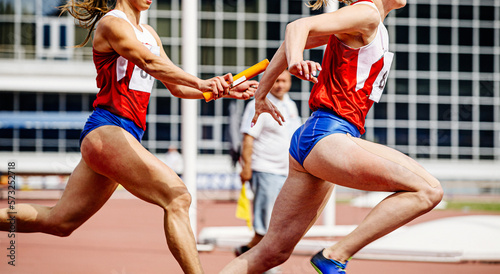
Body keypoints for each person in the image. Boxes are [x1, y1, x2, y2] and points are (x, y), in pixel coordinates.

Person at [0, 1, 257, 273]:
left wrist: (222, 91)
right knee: (177, 197)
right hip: (107, 129)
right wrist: (202, 82)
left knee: (60, 223)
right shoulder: (112, 24)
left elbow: (175, 87)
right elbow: (147, 62)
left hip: (122, 136)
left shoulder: (149, 33)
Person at [220, 0, 443, 273]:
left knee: (271, 252)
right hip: (329, 134)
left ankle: (333, 255)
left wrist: (261, 94)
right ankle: (336, 255)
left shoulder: (365, 22)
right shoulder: (368, 12)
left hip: (315, 139)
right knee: (428, 190)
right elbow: (297, 27)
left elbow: (294, 38)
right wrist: (295, 62)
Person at [235, 70, 301, 258]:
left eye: (284, 81)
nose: (280, 85)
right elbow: (248, 138)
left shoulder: (291, 105)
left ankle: (246, 253)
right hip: (265, 169)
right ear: (270, 82)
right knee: (266, 224)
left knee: (280, 222)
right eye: (277, 80)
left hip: (287, 171)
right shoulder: (258, 104)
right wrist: (246, 167)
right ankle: (261, 264)